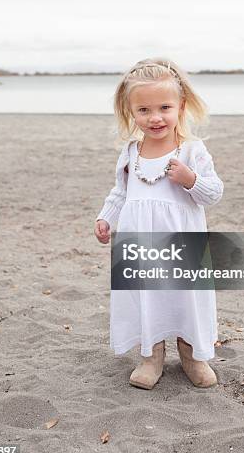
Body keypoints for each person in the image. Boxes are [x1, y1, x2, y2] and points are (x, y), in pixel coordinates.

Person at [94, 58, 224, 389]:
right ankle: (151, 358)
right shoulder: (131, 151)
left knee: (184, 297)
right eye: (144, 110)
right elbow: (120, 192)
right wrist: (105, 218)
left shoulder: (192, 150)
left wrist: (190, 179)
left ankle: (193, 356)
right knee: (147, 295)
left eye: (164, 107)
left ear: (181, 106)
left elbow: (213, 194)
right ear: (130, 112)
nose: (155, 117)